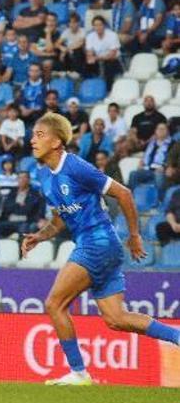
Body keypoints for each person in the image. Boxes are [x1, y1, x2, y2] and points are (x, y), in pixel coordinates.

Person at [21, 112, 180, 386]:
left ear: (57, 141)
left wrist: (134, 235)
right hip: (99, 246)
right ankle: (176, 336)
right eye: (33, 134)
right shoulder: (45, 178)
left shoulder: (76, 167)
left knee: (54, 304)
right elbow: (59, 220)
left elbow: (124, 193)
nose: (32, 140)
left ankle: (79, 373)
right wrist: (40, 236)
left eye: (40, 134)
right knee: (115, 319)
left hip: (98, 241)